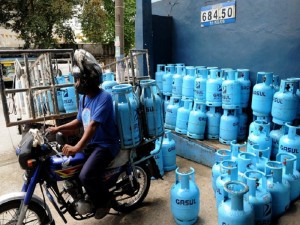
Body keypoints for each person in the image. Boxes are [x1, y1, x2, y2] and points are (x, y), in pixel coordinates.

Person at [48, 52, 120, 219]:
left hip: (106, 145)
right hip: (93, 145)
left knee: (86, 175)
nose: (76, 84)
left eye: (78, 80)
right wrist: (57, 129)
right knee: (71, 167)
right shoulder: (84, 99)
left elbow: (93, 126)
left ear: (88, 80)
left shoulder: (104, 98)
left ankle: (104, 202)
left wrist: (77, 147)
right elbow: (79, 122)